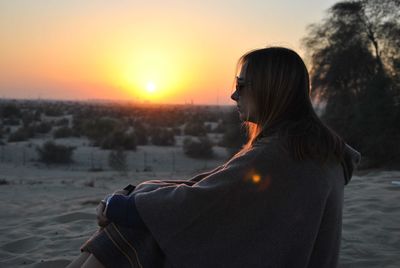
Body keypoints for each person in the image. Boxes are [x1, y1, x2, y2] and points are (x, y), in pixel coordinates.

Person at [67, 47, 361, 268]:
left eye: (242, 85)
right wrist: (138, 194)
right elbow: (213, 190)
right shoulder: (312, 146)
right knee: (145, 217)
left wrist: (120, 206)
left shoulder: (279, 154)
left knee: (136, 231)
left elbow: (199, 205)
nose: (234, 95)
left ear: (271, 89)